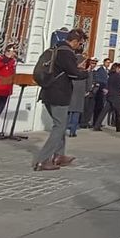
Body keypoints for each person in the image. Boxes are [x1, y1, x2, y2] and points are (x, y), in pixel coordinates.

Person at [33, 29, 88, 171]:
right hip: (59, 94)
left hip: (47, 92)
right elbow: (73, 74)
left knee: (61, 125)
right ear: (74, 41)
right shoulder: (66, 52)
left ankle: (59, 155)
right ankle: (42, 160)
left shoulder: (55, 48)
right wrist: (85, 72)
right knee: (59, 127)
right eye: (80, 43)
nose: (79, 47)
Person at [67, 58, 92, 137]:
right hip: (80, 94)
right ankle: (72, 131)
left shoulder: (72, 72)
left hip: (71, 93)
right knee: (76, 113)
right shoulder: (85, 73)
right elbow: (89, 84)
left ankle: (63, 129)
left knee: (68, 112)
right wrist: (87, 91)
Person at [106, 61, 120, 133]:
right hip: (115, 95)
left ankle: (97, 125)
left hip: (113, 95)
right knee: (118, 112)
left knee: (105, 110)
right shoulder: (116, 75)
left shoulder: (112, 75)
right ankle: (119, 127)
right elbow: (118, 85)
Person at [90, 58, 111, 130]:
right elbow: (99, 80)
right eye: (107, 62)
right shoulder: (100, 70)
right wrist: (103, 88)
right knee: (98, 107)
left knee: (102, 107)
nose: (108, 64)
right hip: (100, 91)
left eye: (109, 63)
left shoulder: (108, 71)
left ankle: (99, 122)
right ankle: (95, 122)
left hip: (106, 92)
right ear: (104, 62)